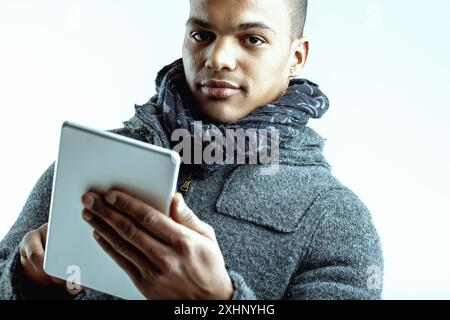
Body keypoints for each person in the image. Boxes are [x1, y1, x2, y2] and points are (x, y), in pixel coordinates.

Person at [0, 0, 383, 300]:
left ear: (296, 56)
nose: (218, 59)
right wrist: (30, 283)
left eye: (252, 39)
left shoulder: (338, 220)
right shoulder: (89, 158)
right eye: (202, 34)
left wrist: (213, 299)